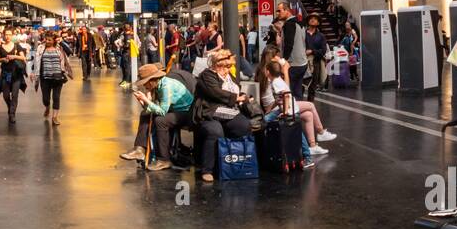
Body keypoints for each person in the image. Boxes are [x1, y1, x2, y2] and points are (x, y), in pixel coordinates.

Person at [255, 46, 334, 162]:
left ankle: (312, 146)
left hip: (277, 104)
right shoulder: (269, 74)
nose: (280, 58)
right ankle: (321, 132)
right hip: (278, 106)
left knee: (308, 115)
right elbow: (286, 91)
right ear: (272, 58)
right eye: (277, 56)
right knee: (310, 106)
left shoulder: (264, 71)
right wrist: (286, 71)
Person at [191, 48, 257, 183]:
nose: (227, 69)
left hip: (227, 111)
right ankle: (207, 169)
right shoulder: (206, 75)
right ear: (216, 65)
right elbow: (215, 92)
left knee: (244, 125)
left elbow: (237, 89)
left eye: (229, 66)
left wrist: (244, 97)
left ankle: (234, 163)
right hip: (208, 112)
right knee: (215, 131)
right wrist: (237, 98)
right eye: (225, 66)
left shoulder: (229, 77)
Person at [121, 62, 194, 170]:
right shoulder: (157, 86)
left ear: (152, 80)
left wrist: (146, 100)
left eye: (145, 83)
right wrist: (145, 102)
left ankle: (164, 159)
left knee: (161, 120)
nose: (144, 86)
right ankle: (139, 149)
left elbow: (162, 111)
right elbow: (154, 108)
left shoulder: (166, 86)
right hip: (173, 110)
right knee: (145, 114)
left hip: (187, 113)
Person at [0, 26, 29, 124]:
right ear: (3, 35)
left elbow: (23, 58)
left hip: (16, 74)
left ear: (12, 35)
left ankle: (12, 114)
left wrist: (14, 56)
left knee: (15, 95)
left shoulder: (17, 46)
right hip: (5, 74)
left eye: (10, 34)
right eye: (6, 34)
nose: (8, 36)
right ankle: (10, 108)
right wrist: (3, 59)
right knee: (5, 95)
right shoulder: (0, 47)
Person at [276, 2, 309, 99]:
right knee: (298, 91)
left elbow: (289, 44)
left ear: (287, 11)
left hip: (293, 64)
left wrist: (284, 60)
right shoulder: (300, 22)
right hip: (302, 62)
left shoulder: (289, 25)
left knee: (289, 92)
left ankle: (293, 112)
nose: (277, 13)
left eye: (279, 11)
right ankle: (298, 111)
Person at [38, 31, 72, 124]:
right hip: (45, 77)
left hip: (58, 77)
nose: (47, 41)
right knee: (45, 98)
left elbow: (70, 51)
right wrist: (35, 73)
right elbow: (37, 61)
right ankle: (47, 106)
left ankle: (54, 117)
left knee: (56, 97)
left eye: (49, 40)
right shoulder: (41, 48)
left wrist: (61, 42)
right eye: (46, 39)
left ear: (54, 40)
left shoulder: (59, 48)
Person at [304, 15, 328, 103]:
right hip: (303, 62)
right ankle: (299, 108)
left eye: (315, 19)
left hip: (316, 63)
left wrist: (312, 51)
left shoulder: (321, 36)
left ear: (318, 23)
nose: (313, 20)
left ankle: (310, 106)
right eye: (311, 18)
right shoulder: (303, 34)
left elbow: (323, 51)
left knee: (312, 87)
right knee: (301, 86)